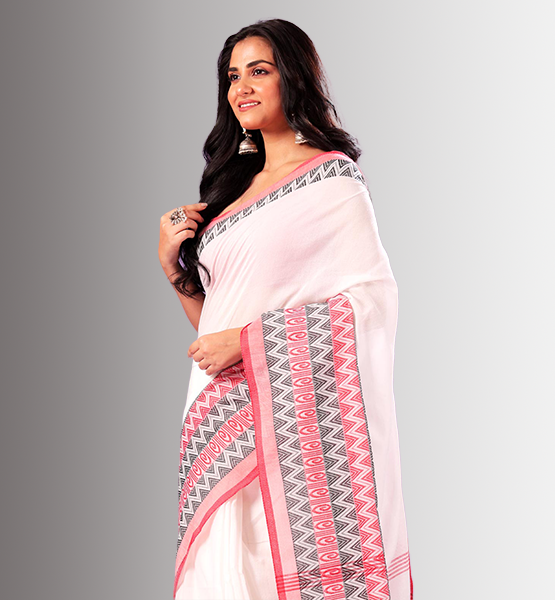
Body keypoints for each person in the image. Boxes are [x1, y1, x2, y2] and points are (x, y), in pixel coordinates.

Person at [158, 19, 413, 600]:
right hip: (220, 417)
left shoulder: (331, 181)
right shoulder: (231, 191)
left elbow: (372, 303)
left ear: (292, 78)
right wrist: (174, 268)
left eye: (259, 71)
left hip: (290, 425)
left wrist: (248, 341)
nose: (241, 88)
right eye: (232, 76)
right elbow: (214, 327)